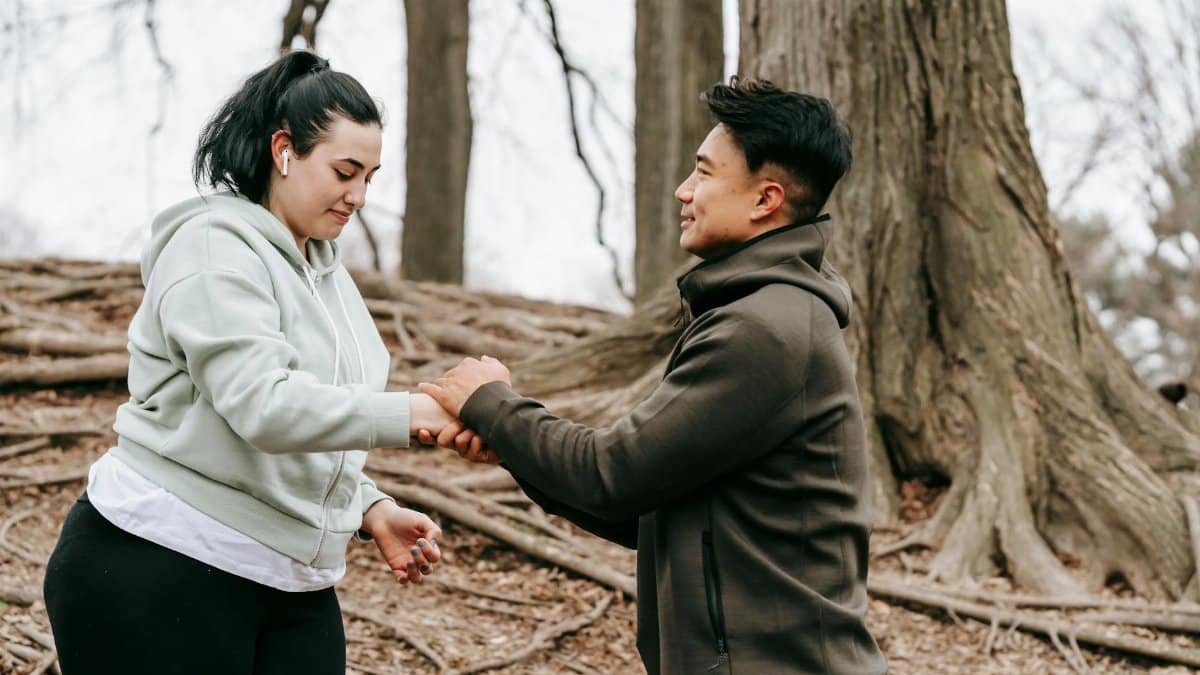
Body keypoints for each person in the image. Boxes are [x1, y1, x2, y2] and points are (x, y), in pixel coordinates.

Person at [421, 78, 887, 674]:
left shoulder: (766, 329)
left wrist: (493, 403)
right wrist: (513, 447)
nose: (682, 191)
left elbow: (612, 474)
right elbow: (646, 505)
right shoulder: (763, 315)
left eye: (705, 174)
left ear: (764, 200)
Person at [44, 51, 455, 675]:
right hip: (159, 563)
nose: (360, 196)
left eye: (370, 176)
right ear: (284, 150)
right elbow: (264, 406)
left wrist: (367, 507)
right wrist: (420, 412)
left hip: (291, 584)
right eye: (345, 171)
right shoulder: (212, 247)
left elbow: (315, 410)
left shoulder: (326, 272)